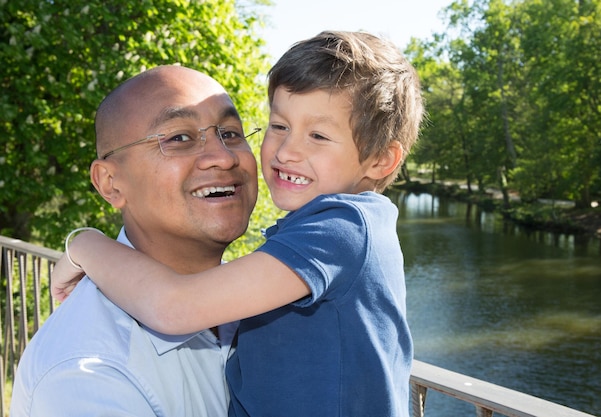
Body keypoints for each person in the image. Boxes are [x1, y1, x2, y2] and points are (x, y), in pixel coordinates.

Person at [52, 30, 424, 416]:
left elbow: (174, 307)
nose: (287, 150)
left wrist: (85, 246)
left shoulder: (342, 229)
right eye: (279, 126)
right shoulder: (85, 373)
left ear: (381, 160)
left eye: (317, 135)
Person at [10, 65, 259, 416]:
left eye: (231, 133)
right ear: (110, 183)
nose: (224, 156)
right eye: (179, 138)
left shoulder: (268, 300)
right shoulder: (88, 374)